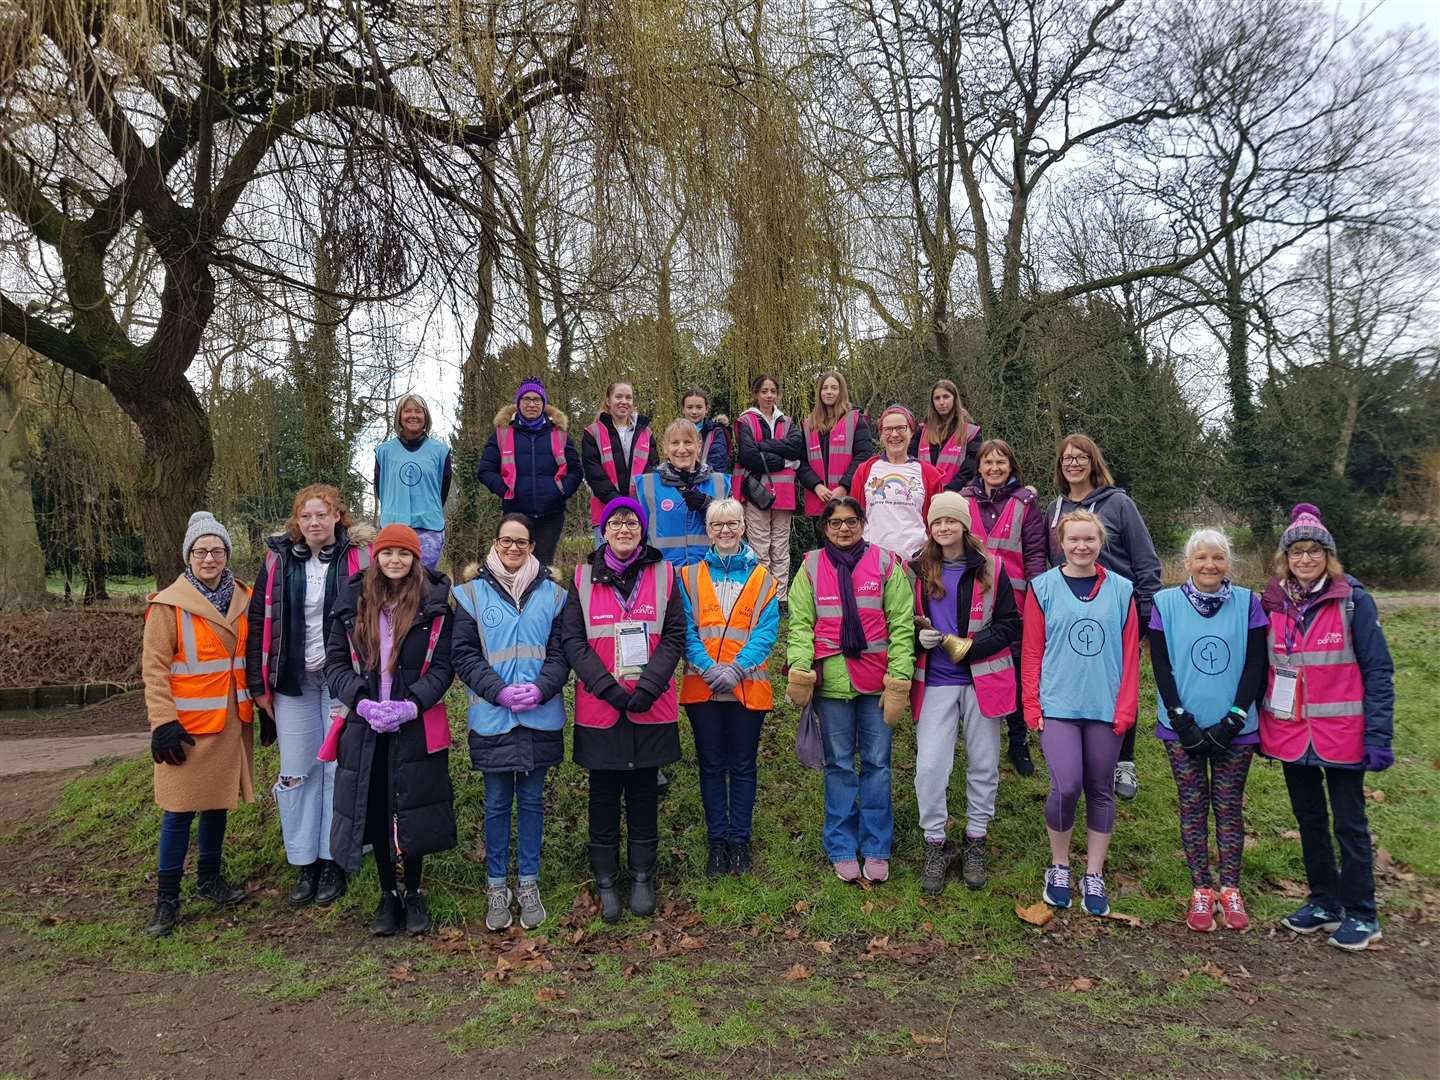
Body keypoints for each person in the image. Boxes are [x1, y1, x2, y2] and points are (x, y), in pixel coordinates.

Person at [1261, 504, 1394, 952]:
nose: (1304, 559)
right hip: (1292, 732)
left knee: (1350, 824)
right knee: (1309, 819)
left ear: (1327, 556)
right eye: (1296, 551)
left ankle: (1362, 912)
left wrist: (1379, 735)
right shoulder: (1273, 602)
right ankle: (1323, 901)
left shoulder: (1353, 600)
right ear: (1285, 557)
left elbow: (1378, 671)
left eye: (1313, 551)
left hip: (1343, 733)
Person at [325, 524, 456, 936]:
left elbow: (443, 666)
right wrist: (360, 702)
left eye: (403, 553)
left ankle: (413, 892)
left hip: (412, 720)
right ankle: (388, 894)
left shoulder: (434, 607)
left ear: (415, 558)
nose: (395, 560)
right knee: (378, 808)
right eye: (387, 553)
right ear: (375, 558)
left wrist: (412, 703)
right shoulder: (352, 604)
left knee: (412, 808)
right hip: (367, 724)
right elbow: (335, 665)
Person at [247, 484, 372, 910]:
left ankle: (333, 859)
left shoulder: (360, 558)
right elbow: (259, 622)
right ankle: (304, 863)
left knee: (338, 769)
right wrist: (258, 685)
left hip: (341, 678)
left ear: (338, 516)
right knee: (298, 772)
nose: (314, 522)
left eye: (322, 514)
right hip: (293, 681)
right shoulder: (278, 560)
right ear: (296, 522)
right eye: (306, 516)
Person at [562, 497, 687, 922]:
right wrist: (608, 689)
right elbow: (573, 642)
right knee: (602, 794)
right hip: (602, 707)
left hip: (651, 704)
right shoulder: (580, 579)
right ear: (603, 530)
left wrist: (648, 686)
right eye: (614, 521)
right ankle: (605, 879)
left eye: (631, 521)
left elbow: (674, 636)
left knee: (644, 793)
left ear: (643, 529)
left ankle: (641, 876)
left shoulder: (665, 574)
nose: (623, 528)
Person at [786, 497, 915, 884]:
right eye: (836, 522)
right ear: (824, 527)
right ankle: (841, 845)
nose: (844, 529)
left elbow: (902, 626)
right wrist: (799, 668)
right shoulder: (810, 566)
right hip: (832, 686)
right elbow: (800, 624)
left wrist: (899, 680)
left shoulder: (886, 564)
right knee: (839, 766)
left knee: (877, 765)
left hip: (876, 685)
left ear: (863, 523)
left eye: (852, 521)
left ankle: (876, 846)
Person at [453, 514, 571, 932]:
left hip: (540, 715)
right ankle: (496, 885)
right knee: (498, 804)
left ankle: (528, 883)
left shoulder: (555, 596)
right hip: (493, 717)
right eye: (507, 541)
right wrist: (498, 691)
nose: (514, 548)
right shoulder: (469, 595)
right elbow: (463, 655)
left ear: (533, 547)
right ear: (495, 543)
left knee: (534, 803)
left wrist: (541, 688)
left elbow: (562, 653)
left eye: (521, 542)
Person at [141, 512, 257, 937]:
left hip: (230, 720)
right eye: (201, 551)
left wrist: (263, 708)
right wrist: (162, 723)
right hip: (186, 727)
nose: (209, 558)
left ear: (227, 554)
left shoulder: (243, 597)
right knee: (177, 812)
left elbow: (251, 657)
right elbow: (154, 669)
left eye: (217, 550)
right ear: (188, 556)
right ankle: (167, 898)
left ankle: (209, 879)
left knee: (216, 804)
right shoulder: (167, 606)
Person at [1150, 528, 1267, 933]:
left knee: (1229, 807)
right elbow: (1161, 666)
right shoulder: (1164, 604)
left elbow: (1256, 664)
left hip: (1235, 729)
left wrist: (1235, 717)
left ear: (1228, 563)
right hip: (1182, 729)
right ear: (1186, 564)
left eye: (1217, 557)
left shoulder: (1249, 603)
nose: (1209, 565)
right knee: (1192, 806)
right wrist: (1180, 719)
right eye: (1201, 558)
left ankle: (1230, 887)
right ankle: (1201, 887)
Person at [1023, 510, 1139, 918]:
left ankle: (1093, 873)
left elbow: (1130, 654)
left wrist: (1127, 707)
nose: (1081, 546)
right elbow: (1033, 650)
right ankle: (1059, 865)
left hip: (1106, 707)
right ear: (1061, 542)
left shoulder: (1123, 590)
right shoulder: (1043, 587)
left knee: (1100, 787)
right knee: (1067, 784)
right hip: (1058, 705)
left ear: (1100, 542)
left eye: (1089, 539)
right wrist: (1031, 703)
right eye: (1073, 539)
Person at [910, 493, 1021, 894]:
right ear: (930, 527)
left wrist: (974, 646)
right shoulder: (916, 569)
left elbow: (1010, 624)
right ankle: (935, 844)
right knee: (930, 769)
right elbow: (900, 622)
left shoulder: (992, 568)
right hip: (935, 681)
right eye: (937, 522)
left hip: (981, 681)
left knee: (984, 765)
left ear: (963, 525)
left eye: (951, 522)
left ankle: (976, 841)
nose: (944, 528)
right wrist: (916, 639)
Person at [1044, 433, 1160, 801]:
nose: (1074, 463)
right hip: (1070, 611)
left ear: (1094, 462)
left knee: (1120, 680)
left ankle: (1124, 761)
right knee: (1081, 678)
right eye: (1067, 458)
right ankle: (1080, 749)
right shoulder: (1054, 509)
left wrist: (1145, 615)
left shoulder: (1118, 504)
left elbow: (1145, 560)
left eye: (1081, 457)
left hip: (1117, 609)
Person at [677, 498, 780, 877]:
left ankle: (740, 840)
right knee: (710, 765)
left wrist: (735, 669)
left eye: (732, 523)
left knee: (742, 766)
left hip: (746, 687)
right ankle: (716, 841)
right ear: (708, 529)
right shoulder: (687, 577)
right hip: (702, 689)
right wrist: (708, 668)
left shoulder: (763, 578)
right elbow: (685, 630)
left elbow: (767, 631)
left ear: (742, 527)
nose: (725, 530)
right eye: (717, 524)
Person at [960, 439, 1048, 777]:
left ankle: (1018, 741)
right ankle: (973, 740)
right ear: (978, 467)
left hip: (1015, 602)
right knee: (974, 665)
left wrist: (1040, 597)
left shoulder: (1025, 503)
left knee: (1014, 668)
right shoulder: (964, 501)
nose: (994, 468)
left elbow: (1035, 553)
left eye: (1001, 463)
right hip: (973, 600)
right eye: (988, 463)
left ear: (1011, 466)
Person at [477, 377, 583, 566]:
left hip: (551, 515)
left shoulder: (559, 434)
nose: (532, 404)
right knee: (514, 565)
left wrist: (561, 491)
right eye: (526, 399)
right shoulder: (502, 434)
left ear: (544, 404)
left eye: (537, 399)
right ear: (518, 404)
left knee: (542, 567)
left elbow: (576, 470)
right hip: (515, 513)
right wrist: (505, 491)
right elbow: (485, 470)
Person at [733, 373, 799, 609]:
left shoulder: (788, 422)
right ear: (756, 394)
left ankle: (780, 597)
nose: (769, 396)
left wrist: (764, 447)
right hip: (756, 490)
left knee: (780, 546)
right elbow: (748, 456)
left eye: (773, 391)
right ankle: (763, 595)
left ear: (778, 394)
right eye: (764, 391)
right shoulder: (746, 421)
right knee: (760, 546)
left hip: (784, 492)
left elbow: (796, 448)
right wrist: (784, 462)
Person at [634, 418, 730, 569]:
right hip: (664, 576)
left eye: (688, 442)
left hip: (710, 574)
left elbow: (735, 527)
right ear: (665, 448)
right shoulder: (645, 485)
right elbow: (635, 536)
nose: (682, 449)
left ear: (699, 446)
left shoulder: (720, 482)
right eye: (675, 443)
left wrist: (708, 505)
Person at [851, 405, 944, 559]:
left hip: (915, 562)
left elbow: (938, 522)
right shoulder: (865, 470)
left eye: (901, 428)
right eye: (888, 429)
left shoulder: (929, 474)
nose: (894, 434)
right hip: (872, 560)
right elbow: (854, 516)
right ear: (881, 434)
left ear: (911, 431)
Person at [374, 393, 452, 571]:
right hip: (393, 526)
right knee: (393, 583)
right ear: (399, 417)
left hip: (429, 529)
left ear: (426, 417)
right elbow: (380, 488)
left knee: (424, 583)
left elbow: (443, 489)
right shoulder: (383, 452)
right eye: (407, 411)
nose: (413, 415)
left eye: (418, 411)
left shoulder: (441, 451)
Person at [581, 381, 659, 545]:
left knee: (639, 565)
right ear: (608, 401)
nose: (624, 401)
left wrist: (633, 504)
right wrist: (618, 503)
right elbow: (594, 474)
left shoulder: (646, 432)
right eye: (619, 396)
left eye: (628, 397)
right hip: (605, 511)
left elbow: (652, 469)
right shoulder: (592, 432)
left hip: (639, 512)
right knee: (606, 565)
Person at [794, 370, 873, 517]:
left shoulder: (855, 419)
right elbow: (800, 462)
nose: (829, 392)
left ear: (841, 391)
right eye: (825, 388)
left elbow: (864, 456)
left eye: (834, 388)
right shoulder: (808, 424)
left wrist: (844, 486)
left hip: (848, 498)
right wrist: (816, 486)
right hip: (819, 498)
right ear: (819, 392)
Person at [910, 379, 981, 491]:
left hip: (956, 495)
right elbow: (910, 460)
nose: (941, 402)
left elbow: (971, 467)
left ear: (954, 399)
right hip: (924, 494)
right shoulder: (922, 430)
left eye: (946, 397)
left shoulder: (971, 431)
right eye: (937, 398)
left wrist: (948, 490)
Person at [681, 388, 732, 474]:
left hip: (707, 482)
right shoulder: (676, 432)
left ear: (707, 409)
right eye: (689, 407)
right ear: (683, 409)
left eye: (699, 407)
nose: (694, 411)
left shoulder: (716, 432)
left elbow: (717, 463)